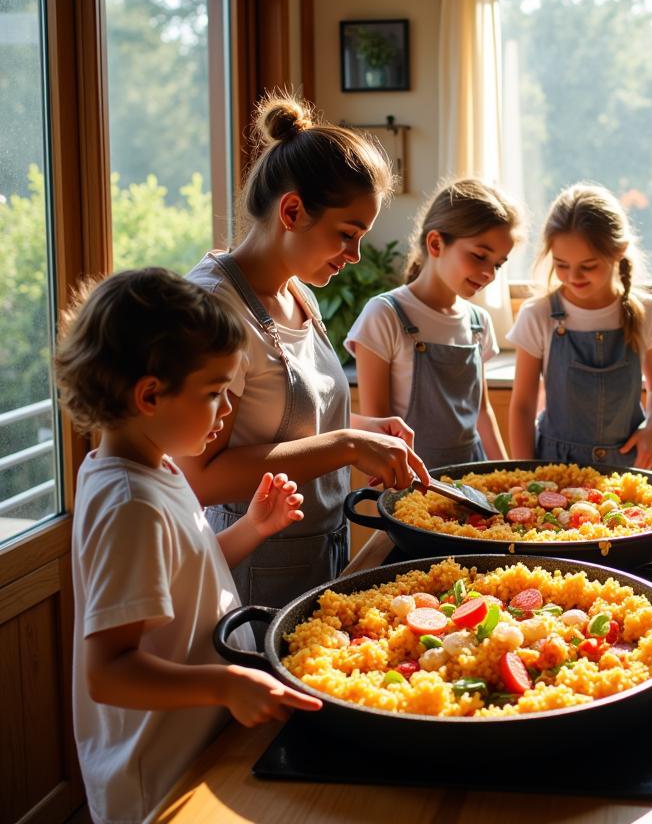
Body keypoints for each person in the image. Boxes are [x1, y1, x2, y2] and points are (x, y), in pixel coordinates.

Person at [54, 268, 322, 824]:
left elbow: (184, 576)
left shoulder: (155, 468)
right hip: (157, 772)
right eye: (214, 393)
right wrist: (225, 683)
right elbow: (108, 671)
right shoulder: (131, 503)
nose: (227, 410)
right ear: (150, 394)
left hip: (200, 740)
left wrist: (251, 528)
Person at [181, 93, 428, 608]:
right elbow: (198, 477)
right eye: (347, 234)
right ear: (292, 210)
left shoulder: (298, 292)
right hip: (250, 573)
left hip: (319, 557)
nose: (355, 256)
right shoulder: (212, 308)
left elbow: (278, 420)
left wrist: (363, 429)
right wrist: (345, 447)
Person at [346, 179, 521, 468]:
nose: (489, 273)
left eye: (498, 264)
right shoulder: (384, 315)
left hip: (475, 479)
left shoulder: (479, 322)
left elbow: (482, 413)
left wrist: (508, 474)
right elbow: (377, 432)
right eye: (479, 255)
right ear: (436, 243)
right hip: (415, 484)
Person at [507, 182, 652, 469]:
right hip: (553, 466)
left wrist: (651, 430)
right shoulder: (538, 314)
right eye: (561, 264)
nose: (573, 276)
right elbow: (523, 406)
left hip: (629, 465)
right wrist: (523, 473)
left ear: (618, 252)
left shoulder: (647, 312)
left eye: (588, 265)